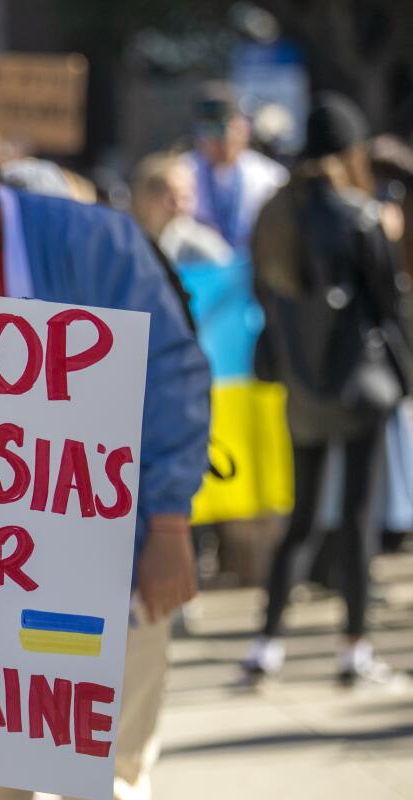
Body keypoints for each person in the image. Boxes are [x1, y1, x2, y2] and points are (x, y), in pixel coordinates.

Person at [0, 81, 211, 800]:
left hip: (109, 549)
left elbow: (170, 369)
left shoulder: (88, 238)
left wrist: (169, 520)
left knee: (112, 777)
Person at [243, 94, 413, 687]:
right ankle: (354, 649)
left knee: (303, 518)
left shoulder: (273, 215)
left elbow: (264, 296)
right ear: (348, 151)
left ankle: (265, 644)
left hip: (301, 387)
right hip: (360, 385)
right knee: (359, 515)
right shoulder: (359, 215)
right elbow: (389, 306)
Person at [181, 82, 288, 251]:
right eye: (210, 132)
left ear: (245, 128)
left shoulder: (271, 177)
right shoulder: (181, 174)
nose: (222, 141)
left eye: (228, 129)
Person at [131, 151, 233, 267]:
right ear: (147, 200)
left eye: (186, 197)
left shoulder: (202, 247)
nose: (180, 206)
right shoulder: (129, 244)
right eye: (172, 198)